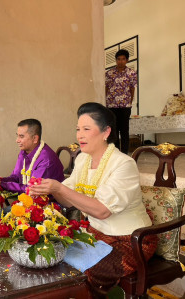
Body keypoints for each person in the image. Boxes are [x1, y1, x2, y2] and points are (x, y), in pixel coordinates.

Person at [29, 102, 157, 298]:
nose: (79, 135)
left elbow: (102, 211)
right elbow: (68, 201)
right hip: (95, 233)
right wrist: (47, 189)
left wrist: (58, 187)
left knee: (78, 275)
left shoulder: (124, 164)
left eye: (86, 129)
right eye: (78, 129)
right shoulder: (83, 159)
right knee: (51, 255)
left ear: (106, 132)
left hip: (130, 240)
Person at [0, 119, 64, 194]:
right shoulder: (23, 152)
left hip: (49, 206)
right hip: (28, 201)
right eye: (17, 135)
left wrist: (0, 183)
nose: (17, 140)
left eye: (21, 136)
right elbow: (15, 178)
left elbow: (32, 189)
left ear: (35, 139)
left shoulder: (46, 159)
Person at [105, 49, 137, 154]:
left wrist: (129, 102)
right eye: (118, 59)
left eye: (123, 59)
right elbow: (106, 88)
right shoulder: (109, 73)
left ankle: (125, 153)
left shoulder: (131, 73)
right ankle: (116, 153)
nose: (120, 61)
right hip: (111, 106)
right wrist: (106, 102)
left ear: (127, 60)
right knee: (114, 131)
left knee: (124, 131)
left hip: (125, 106)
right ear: (116, 60)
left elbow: (132, 89)